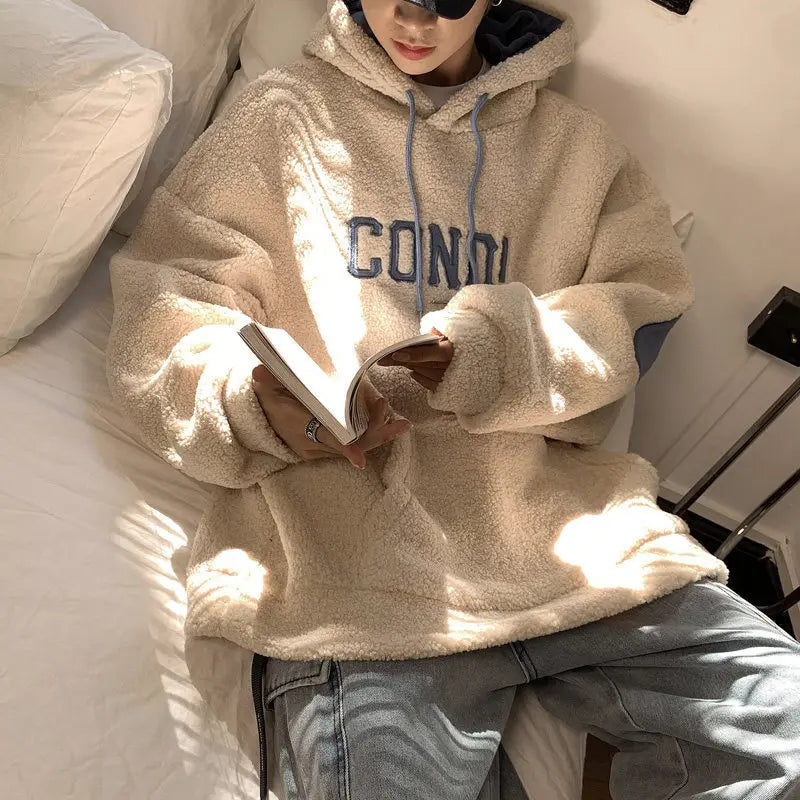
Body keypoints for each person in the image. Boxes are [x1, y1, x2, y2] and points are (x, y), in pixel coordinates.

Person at [105, 0, 800, 797]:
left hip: (572, 542)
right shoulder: (279, 117)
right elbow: (166, 306)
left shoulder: (580, 153)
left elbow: (637, 311)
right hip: (351, 564)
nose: (413, 19)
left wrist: (496, 352)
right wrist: (252, 404)